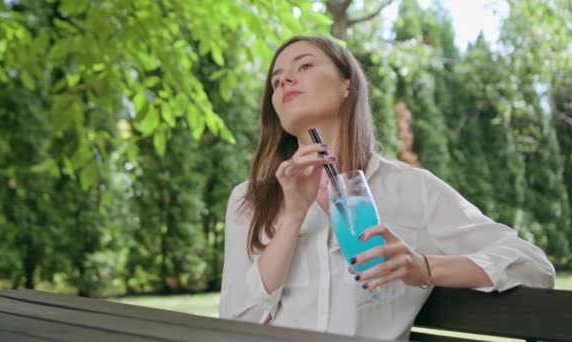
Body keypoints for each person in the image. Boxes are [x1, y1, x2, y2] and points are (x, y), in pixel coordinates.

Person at [218, 35, 555, 340]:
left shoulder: (412, 190)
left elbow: (533, 266)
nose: (284, 81)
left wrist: (421, 267)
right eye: (275, 82)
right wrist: (292, 219)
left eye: (303, 65)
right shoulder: (248, 198)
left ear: (346, 85)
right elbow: (233, 321)